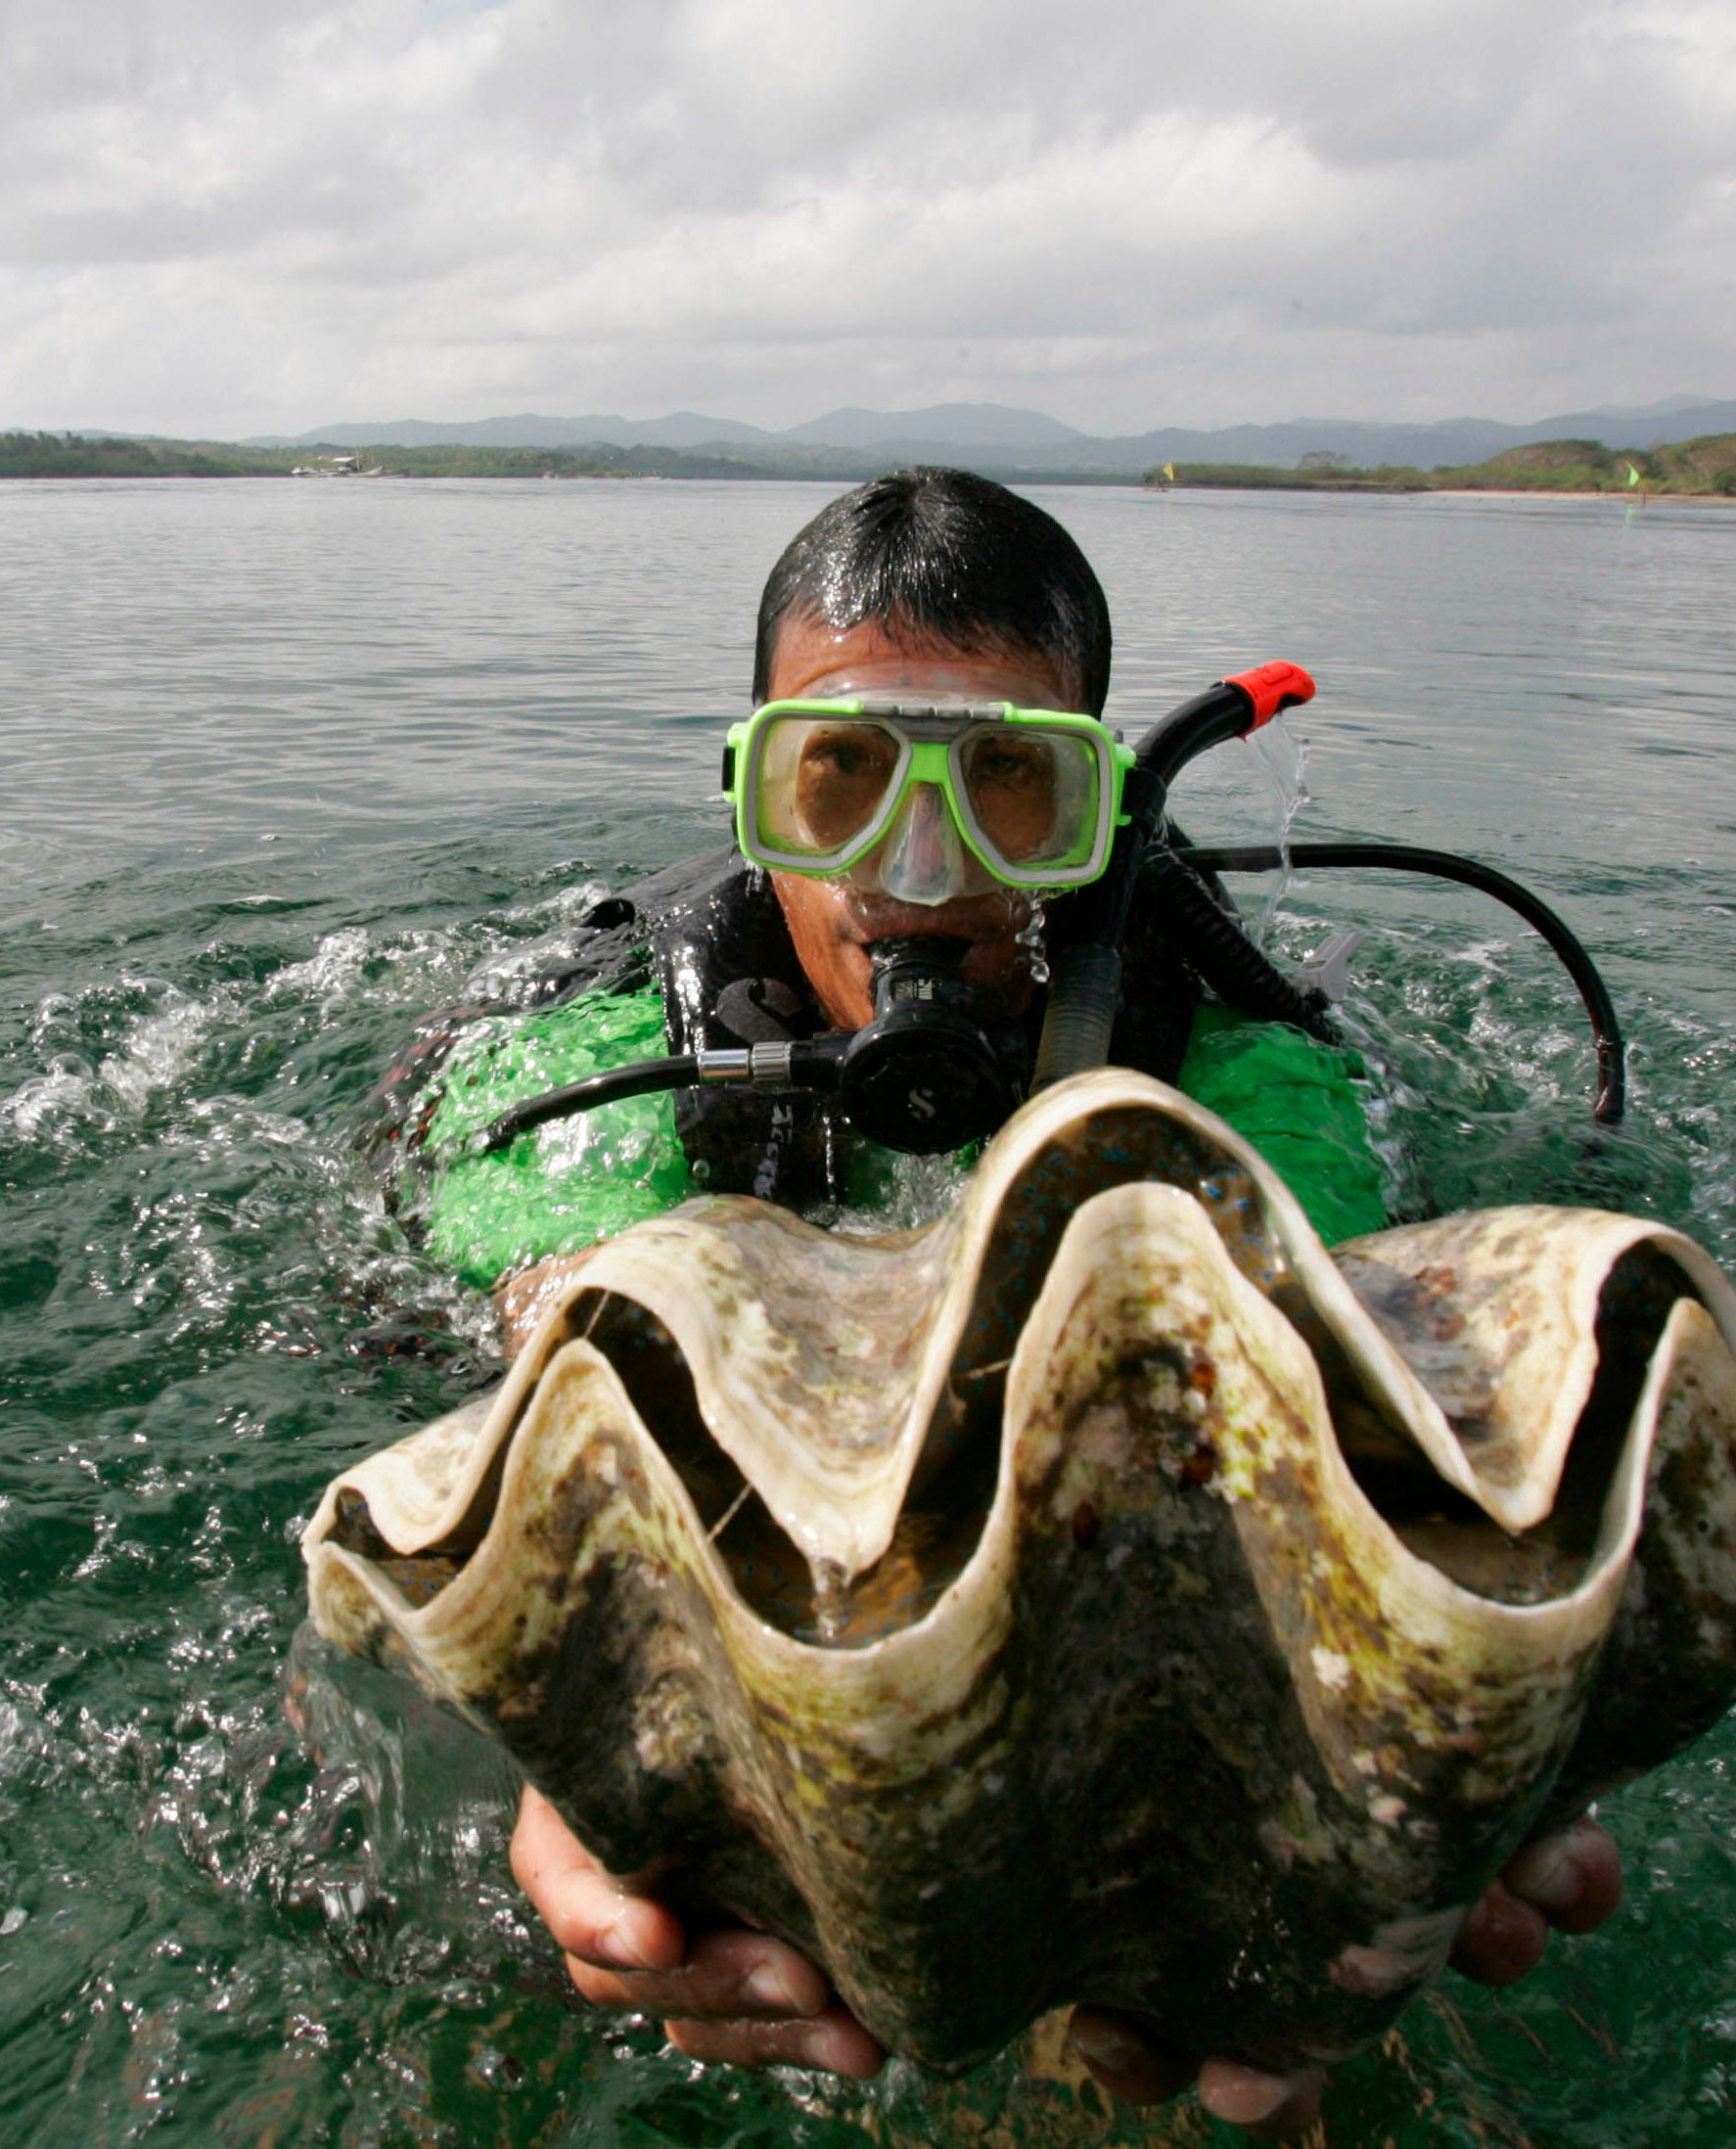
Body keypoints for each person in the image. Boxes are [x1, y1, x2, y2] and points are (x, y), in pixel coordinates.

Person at [373, 468, 1623, 2135]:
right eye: (842, 778)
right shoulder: (598, 1069)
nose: (917, 865)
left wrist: (1422, 1721)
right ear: (755, 787)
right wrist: (600, 1718)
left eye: (1009, 789)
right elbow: (566, 1349)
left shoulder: (1247, 1074)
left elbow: (1324, 1382)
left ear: (1102, 803)